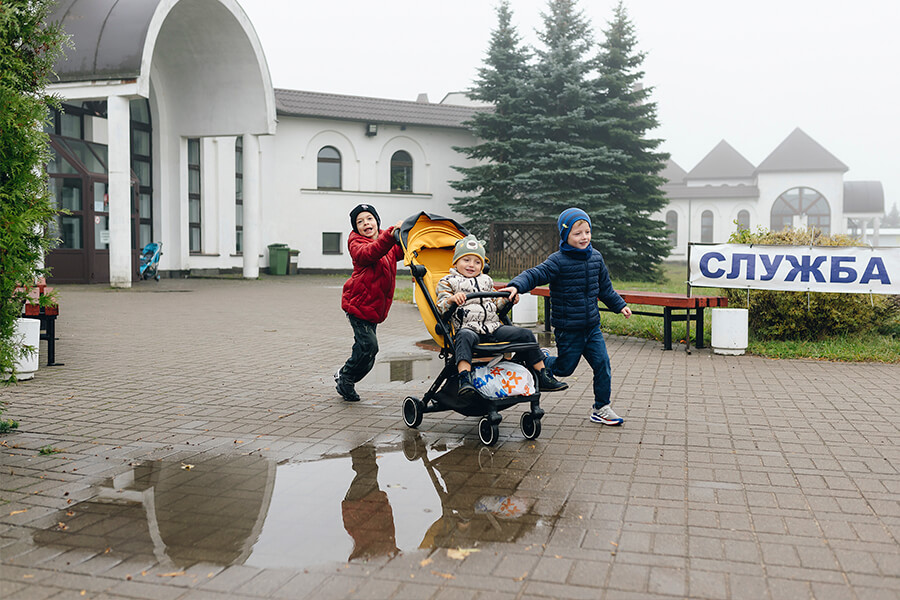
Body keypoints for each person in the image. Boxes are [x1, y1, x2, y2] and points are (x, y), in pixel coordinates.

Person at [501, 208, 632, 425]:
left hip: (591, 327)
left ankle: (601, 407)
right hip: (568, 328)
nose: (584, 238)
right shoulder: (558, 261)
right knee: (564, 369)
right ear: (566, 236)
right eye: (577, 233)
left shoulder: (596, 258)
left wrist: (620, 306)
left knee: (603, 365)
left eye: (587, 232)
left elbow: (605, 289)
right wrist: (516, 285)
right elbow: (535, 274)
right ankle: (539, 360)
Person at [435, 234, 568, 397]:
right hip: (469, 329)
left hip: (493, 328)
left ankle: (543, 374)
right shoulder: (448, 282)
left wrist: (507, 300)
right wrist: (452, 299)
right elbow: (441, 307)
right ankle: (465, 379)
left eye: (477, 262)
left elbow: (496, 306)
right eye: (466, 260)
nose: (472, 265)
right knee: (463, 336)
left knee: (526, 334)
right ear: (456, 261)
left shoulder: (487, 281)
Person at [334, 204, 404, 402]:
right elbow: (370, 253)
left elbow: (403, 251)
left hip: (374, 307)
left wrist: (412, 236)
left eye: (369, 218)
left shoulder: (387, 242)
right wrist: (390, 235)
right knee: (369, 346)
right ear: (356, 228)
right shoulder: (356, 243)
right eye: (360, 221)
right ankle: (346, 377)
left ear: (377, 221)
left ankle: (345, 375)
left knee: (367, 350)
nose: (366, 223)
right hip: (358, 305)